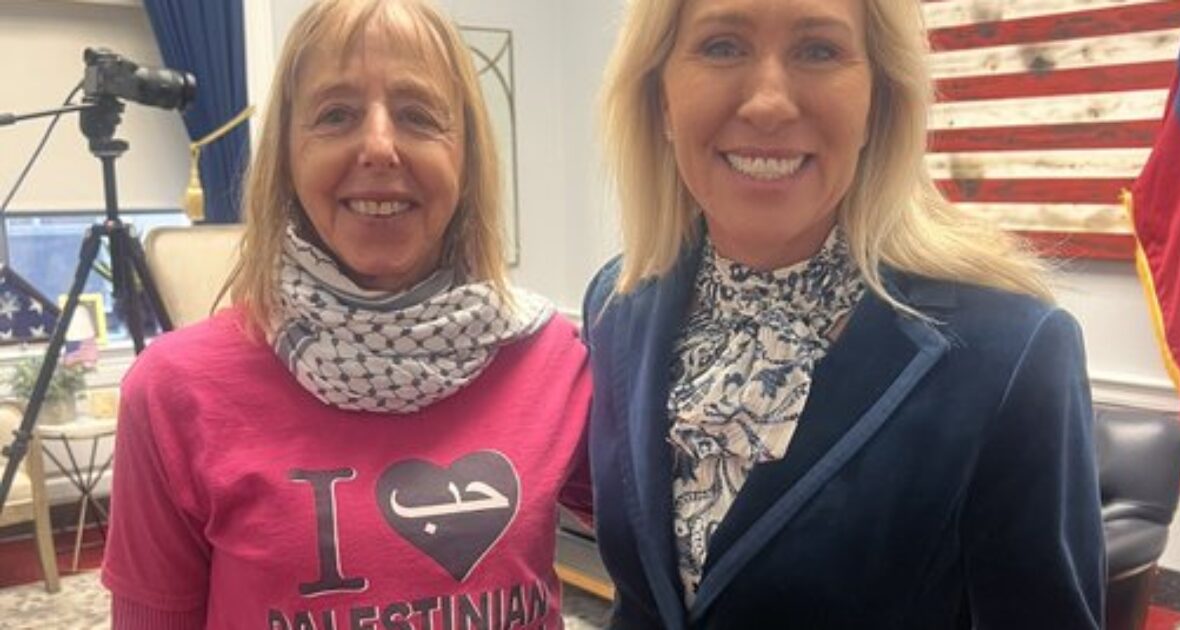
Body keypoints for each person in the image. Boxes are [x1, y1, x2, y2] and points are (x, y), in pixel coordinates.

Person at [583, 0, 1105, 628]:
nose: (768, 103)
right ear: (660, 96)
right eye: (722, 45)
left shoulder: (1012, 351)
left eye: (818, 50)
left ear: (877, 103)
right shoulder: (618, 303)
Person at [102, 1, 590, 627]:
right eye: (336, 115)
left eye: (418, 115)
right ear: (286, 156)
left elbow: (680, 551)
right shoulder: (173, 391)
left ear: (466, 158)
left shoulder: (556, 359)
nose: (380, 146)